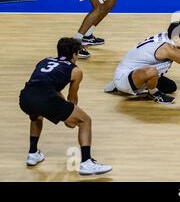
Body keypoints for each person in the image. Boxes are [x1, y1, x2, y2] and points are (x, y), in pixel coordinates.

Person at [19, 38, 112, 175]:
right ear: (74, 54)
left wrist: (64, 110)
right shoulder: (75, 71)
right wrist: (71, 118)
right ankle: (86, 163)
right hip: (45, 99)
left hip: (25, 98)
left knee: (37, 116)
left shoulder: (44, 61)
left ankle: (33, 154)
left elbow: (46, 85)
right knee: (85, 121)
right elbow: (72, 98)